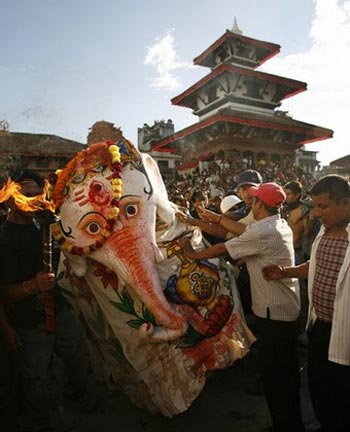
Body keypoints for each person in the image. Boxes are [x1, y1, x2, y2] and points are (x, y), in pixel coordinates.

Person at [179, 182, 305, 432]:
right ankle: (289, 423)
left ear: (260, 205)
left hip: (274, 314)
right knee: (285, 374)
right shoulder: (276, 224)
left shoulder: (262, 232)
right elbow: (237, 229)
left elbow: (223, 247)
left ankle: (287, 426)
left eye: (253, 200)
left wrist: (191, 255)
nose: (250, 203)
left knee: (275, 376)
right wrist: (208, 219)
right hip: (283, 311)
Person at [0, 170, 90, 432]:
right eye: (25, 195)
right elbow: (3, 293)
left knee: (77, 354)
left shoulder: (45, 223)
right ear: (10, 196)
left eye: (36, 195)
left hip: (57, 308)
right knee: (35, 379)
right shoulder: (4, 239)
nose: (31, 201)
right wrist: (32, 286)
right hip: (26, 321)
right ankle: (36, 423)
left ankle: (76, 396)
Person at [263, 175, 350, 432]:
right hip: (319, 327)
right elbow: (316, 267)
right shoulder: (323, 232)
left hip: (344, 332)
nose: (317, 213)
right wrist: (285, 272)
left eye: (323, 207)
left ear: (345, 203)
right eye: (315, 206)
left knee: (343, 392)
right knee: (319, 388)